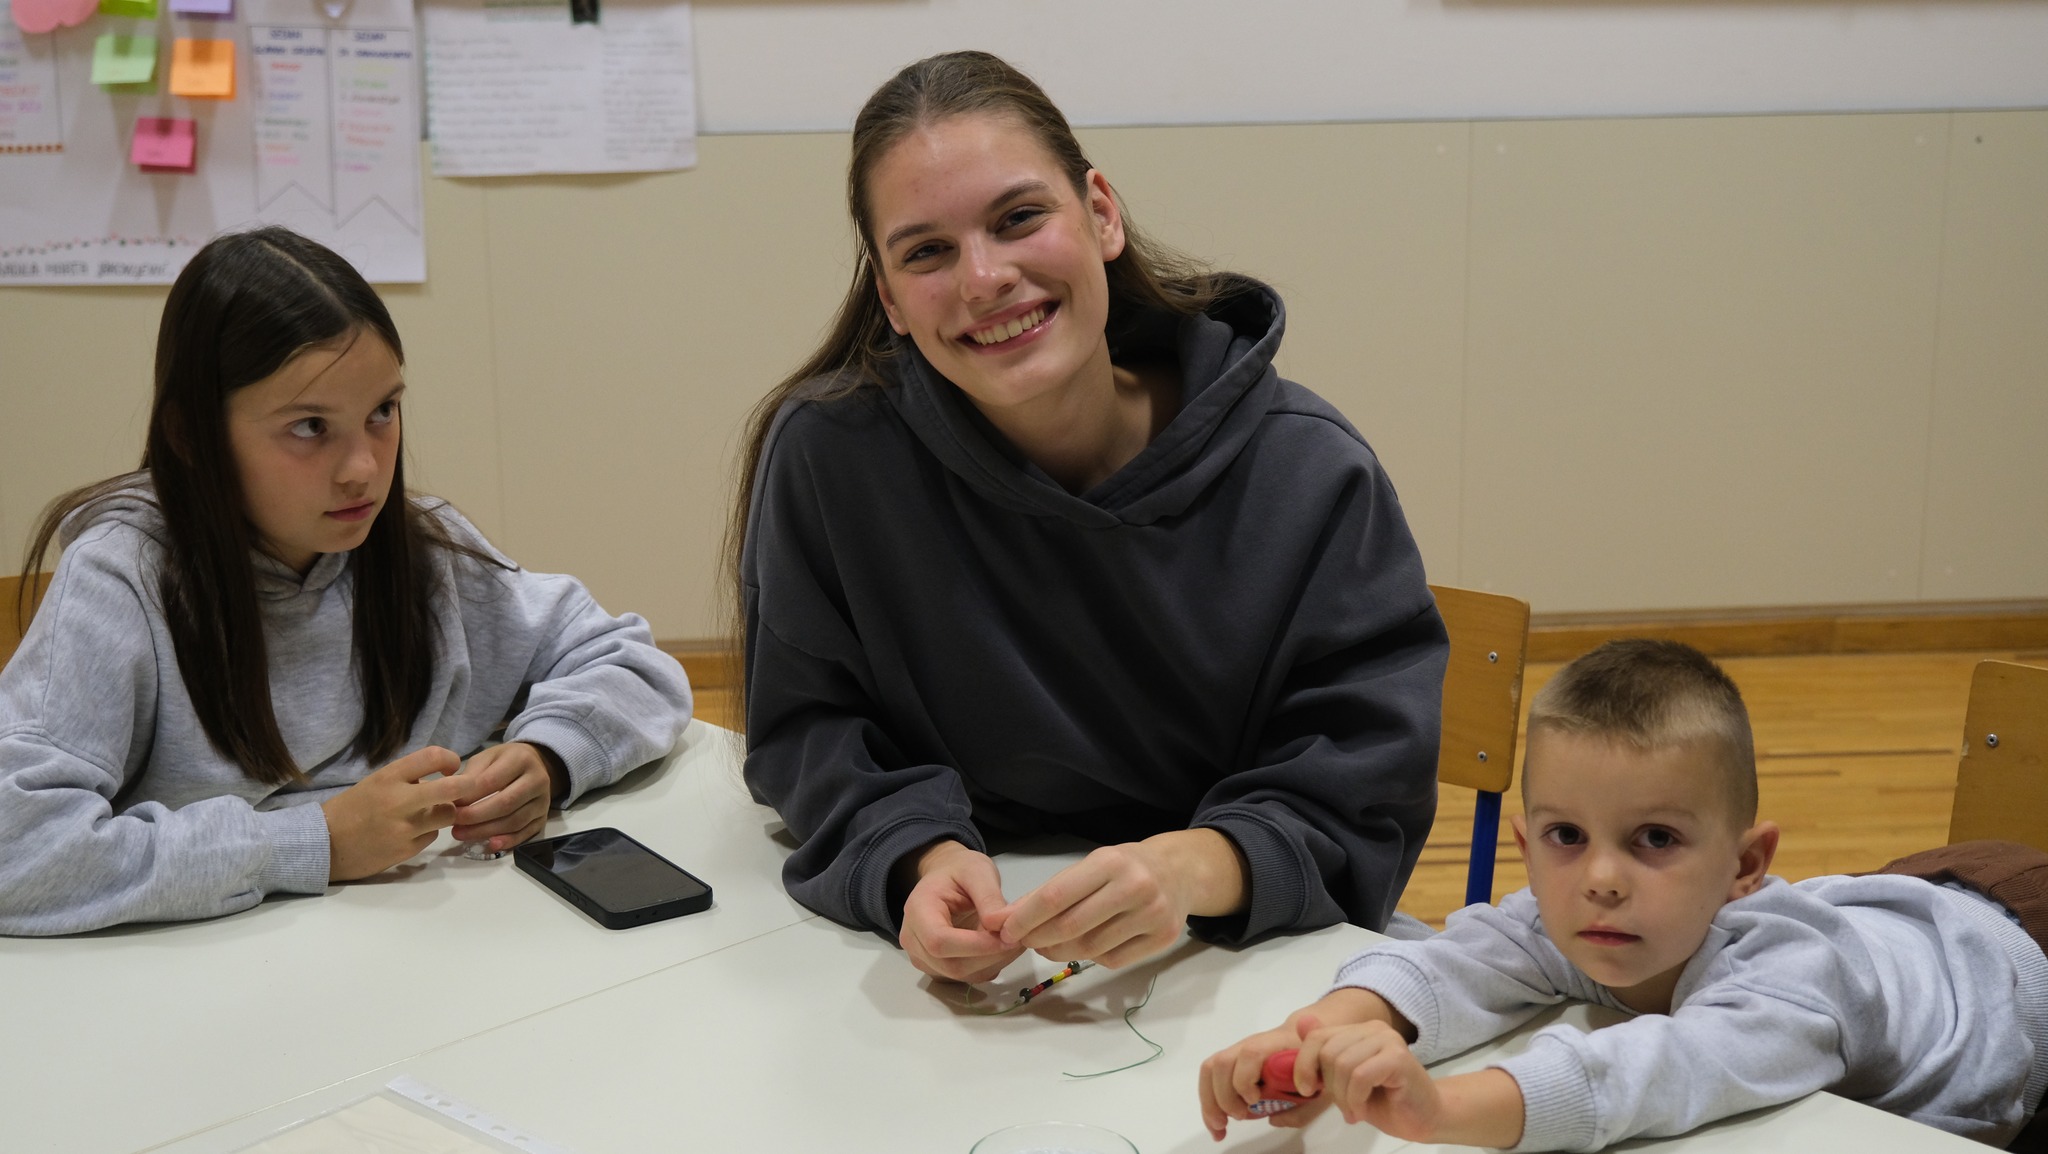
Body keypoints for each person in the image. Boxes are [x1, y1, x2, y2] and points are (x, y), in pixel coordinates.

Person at [730, 50, 1448, 984]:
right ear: (890, 299)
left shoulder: (1308, 471)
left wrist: (1188, 869)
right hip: (968, 971)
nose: (984, 278)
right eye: (927, 252)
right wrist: (917, 856)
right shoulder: (830, 456)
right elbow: (809, 726)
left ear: (1101, 213)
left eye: (1018, 218)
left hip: (1234, 954)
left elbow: (1365, 781)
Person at [0, 227, 693, 936]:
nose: (364, 468)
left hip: (427, 951)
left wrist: (550, 755)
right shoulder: (122, 583)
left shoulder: (426, 554)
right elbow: (17, 849)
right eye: (309, 426)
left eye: (382, 412)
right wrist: (318, 842)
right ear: (192, 436)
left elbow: (632, 664)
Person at [1199, 639, 2048, 1151]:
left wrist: (1442, 1106)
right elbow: (1456, 964)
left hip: (2016, 958)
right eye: (1567, 836)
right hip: (1895, 907)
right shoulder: (1592, 911)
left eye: (1656, 840)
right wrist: (1313, 1034)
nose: (1601, 878)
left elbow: (1659, 1072)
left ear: (1746, 865)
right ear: (1528, 849)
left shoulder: (1791, 988)